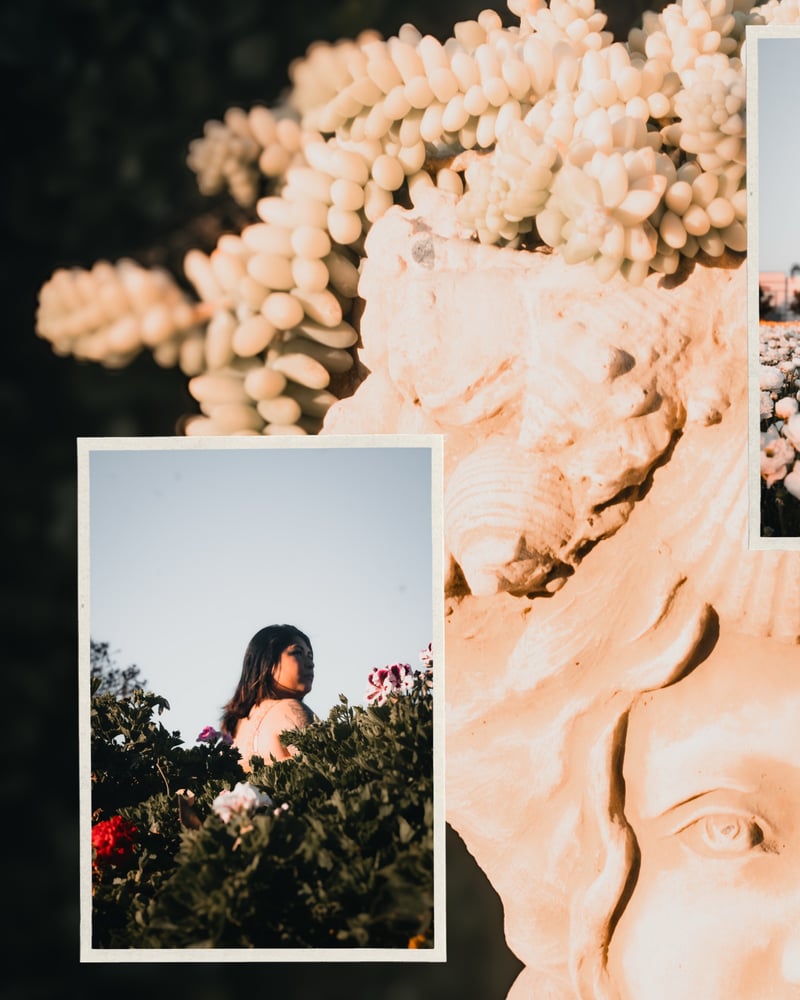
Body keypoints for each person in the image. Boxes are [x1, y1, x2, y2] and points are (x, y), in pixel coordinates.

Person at [220, 624, 316, 770]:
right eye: (298, 652)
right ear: (267, 661)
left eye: (310, 656)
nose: (311, 664)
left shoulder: (236, 725)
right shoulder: (289, 709)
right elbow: (321, 765)